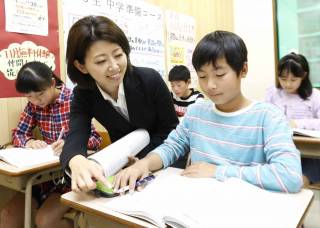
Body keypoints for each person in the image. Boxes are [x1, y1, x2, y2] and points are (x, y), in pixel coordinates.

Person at [113, 31, 303, 194]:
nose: (210, 85)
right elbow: (171, 147)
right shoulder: (197, 112)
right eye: (202, 76)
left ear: (243, 69)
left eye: (220, 75)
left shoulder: (268, 117)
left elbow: (290, 176)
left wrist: (217, 171)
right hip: (196, 203)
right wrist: (144, 164)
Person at [59, 16, 178, 193]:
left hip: (162, 162)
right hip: (122, 168)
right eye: (101, 61)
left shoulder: (149, 80)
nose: (114, 67)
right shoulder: (83, 94)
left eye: (118, 55)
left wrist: (145, 160)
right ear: (82, 66)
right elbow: (77, 134)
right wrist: (75, 159)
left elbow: (170, 129)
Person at [0, 61, 101, 228]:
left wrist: (71, 144)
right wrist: (29, 141)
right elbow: (19, 133)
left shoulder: (73, 99)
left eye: (40, 94)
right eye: (29, 96)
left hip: (70, 177)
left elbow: (95, 140)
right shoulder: (34, 105)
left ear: (52, 83)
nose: (36, 100)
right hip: (44, 178)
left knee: (45, 221)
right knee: (7, 217)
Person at [265, 52, 320, 185]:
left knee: (297, 184)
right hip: (279, 148)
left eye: (293, 79)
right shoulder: (272, 93)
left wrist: (296, 123)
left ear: (304, 76)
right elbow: (263, 115)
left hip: (309, 154)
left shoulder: (314, 96)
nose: (288, 84)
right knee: (274, 180)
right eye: (283, 79)